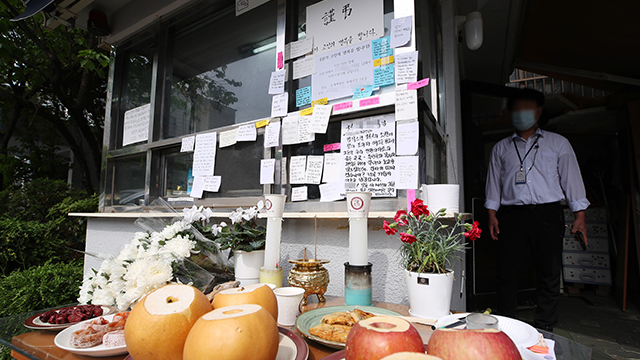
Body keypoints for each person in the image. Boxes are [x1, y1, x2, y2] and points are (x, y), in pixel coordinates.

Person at [484, 88, 590, 331]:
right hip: (512, 216)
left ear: (539, 111)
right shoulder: (501, 148)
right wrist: (492, 213)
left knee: (549, 273)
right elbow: (493, 184)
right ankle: (507, 325)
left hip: (548, 213)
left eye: (527, 107)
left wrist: (579, 216)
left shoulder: (558, 143)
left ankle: (545, 328)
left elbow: (571, 179)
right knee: (507, 272)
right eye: (517, 108)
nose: (522, 113)